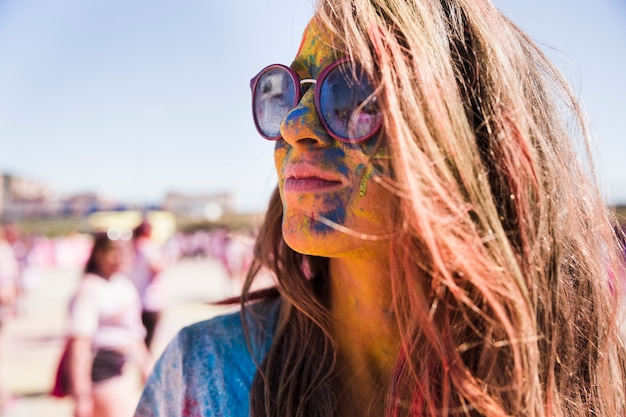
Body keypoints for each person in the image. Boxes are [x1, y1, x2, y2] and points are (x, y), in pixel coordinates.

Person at [135, 0, 626, 416]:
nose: (294, 125)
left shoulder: (570, 373)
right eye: (284, 93)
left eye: (352, 93)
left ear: (465, 137)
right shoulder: (202, 377)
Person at [68, 233, 152, 417]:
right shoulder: (89, 289)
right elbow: (79, 346)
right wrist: (81, 395)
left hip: (124, 368)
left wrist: (147, 368)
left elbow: (135, 335)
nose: (122, 256)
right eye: (114, 251)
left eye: (127, 250)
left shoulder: (123, 284)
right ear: (98, 253)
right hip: (102, 370)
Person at [128, 221, 166, 350]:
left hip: (132, 300)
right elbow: (156, 268)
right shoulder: (149, 247)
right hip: (150, 300)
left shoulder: (129, 247)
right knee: (147, 344)